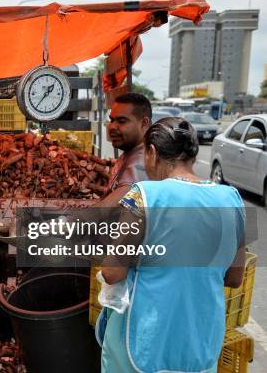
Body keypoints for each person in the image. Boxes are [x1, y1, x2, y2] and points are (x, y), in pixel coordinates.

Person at [98, 117, 246, 373]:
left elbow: (113, 272)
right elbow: (234, 278)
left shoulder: (142, 195)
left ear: (152, 153)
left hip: (143, 340)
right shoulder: (231, 199)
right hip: (199, 344)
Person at [97, 92, 152, 207]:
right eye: (111, 120)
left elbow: (107, 209)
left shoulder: (141, 163)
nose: (112, 127)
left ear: (144, 123)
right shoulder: (131, 151)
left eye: (122, 121)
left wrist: (64, 223)